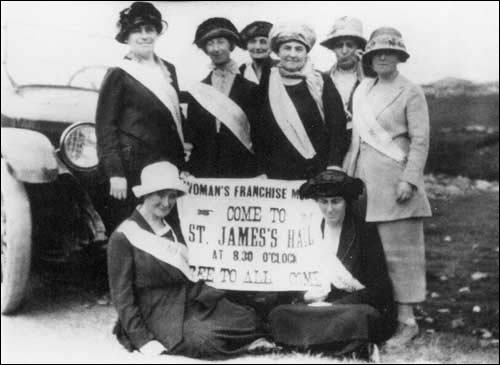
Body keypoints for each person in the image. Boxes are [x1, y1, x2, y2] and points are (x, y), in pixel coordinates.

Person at [107, 161, 271, 359]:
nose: (166, 203)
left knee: (248, 319)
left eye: (172, 196)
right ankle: (244, 344)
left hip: (190, 300)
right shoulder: (123, 236)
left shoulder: (177, 224)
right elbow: (122, 296)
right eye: (160, 194)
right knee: (205, 340)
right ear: (145, 194)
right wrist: (142, 339)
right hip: (155, 311)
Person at [344, 27, 432, 347]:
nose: (382, 57)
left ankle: (408, 322)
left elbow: (421, 141)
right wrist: (347, 179)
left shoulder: (411, 91)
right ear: (368, 58)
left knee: (401, 257)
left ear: (399, 57)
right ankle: (380, 319)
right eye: (376, 52)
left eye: (389, 52)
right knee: (371, 257)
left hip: (397, 186)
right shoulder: (363, 90)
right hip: (365, 187)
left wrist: (409, 179)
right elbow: (356, 141)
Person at [268, 169, 395, 358]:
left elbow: (379, 289)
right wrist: (307, 296)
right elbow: (289, 281)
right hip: (312, 307)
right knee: (279, 314)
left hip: (349, 307)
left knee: (360, 317)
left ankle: (306, 343)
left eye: (336, 201)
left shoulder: (363, 231)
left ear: (346, 202)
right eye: (323, 202)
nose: (329, 209)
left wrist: (332, 306)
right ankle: (342, 345)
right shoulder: (305, 230)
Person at [96, 2, 188, 230]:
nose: (145, 36)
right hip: (133, 167)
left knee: (164, 227)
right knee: (133, 227)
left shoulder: (169, 70)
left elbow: (174, 118)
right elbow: (105, 126)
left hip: (165, 163)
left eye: (150, 29)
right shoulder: (119, 72)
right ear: (127, 36)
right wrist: (115, 173)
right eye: (137, 30)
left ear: (157, 32)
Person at [254, 22, 348, 180]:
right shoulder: (267, 80)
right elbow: (258, 130)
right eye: (287, 48)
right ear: (278, 51)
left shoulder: (320, 81)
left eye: (298, 49)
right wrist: (260, 169)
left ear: (306, 53)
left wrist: (334, 164)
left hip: (316, 169)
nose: (292, 54)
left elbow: (337, 126)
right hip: (276, 172)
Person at [184, 17, 259, 178]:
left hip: (243, 166)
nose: (216, 49)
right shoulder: (198, 90)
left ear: (230, 45)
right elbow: (191, 132)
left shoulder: (251, 89)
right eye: (210, 44)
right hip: (205, 166)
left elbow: (259, 134)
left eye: (220, 42)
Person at [320, 16, 367, 135]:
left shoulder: (370, 79)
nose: (344, 51)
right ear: (333, 49)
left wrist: (365, 67)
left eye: (350, 45)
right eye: (339, 45)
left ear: (359, 48)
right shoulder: (322, 79)